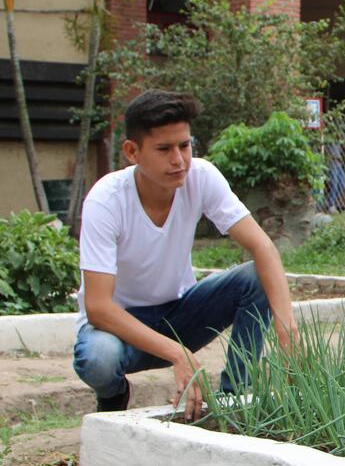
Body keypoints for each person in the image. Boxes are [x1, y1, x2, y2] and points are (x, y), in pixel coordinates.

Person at [73, 90, 300, 422]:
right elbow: (98, 308)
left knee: (254, 278)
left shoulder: (201, 177)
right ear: (132, 152)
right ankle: (113, 395)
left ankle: (235, 398)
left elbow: (263, 247)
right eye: (164, 149)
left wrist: (287, 331)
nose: (179, 160)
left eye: (185, 145)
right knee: (98, 358)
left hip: (180, 316)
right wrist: (177, 353)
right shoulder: (105, 201)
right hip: (120, 329)